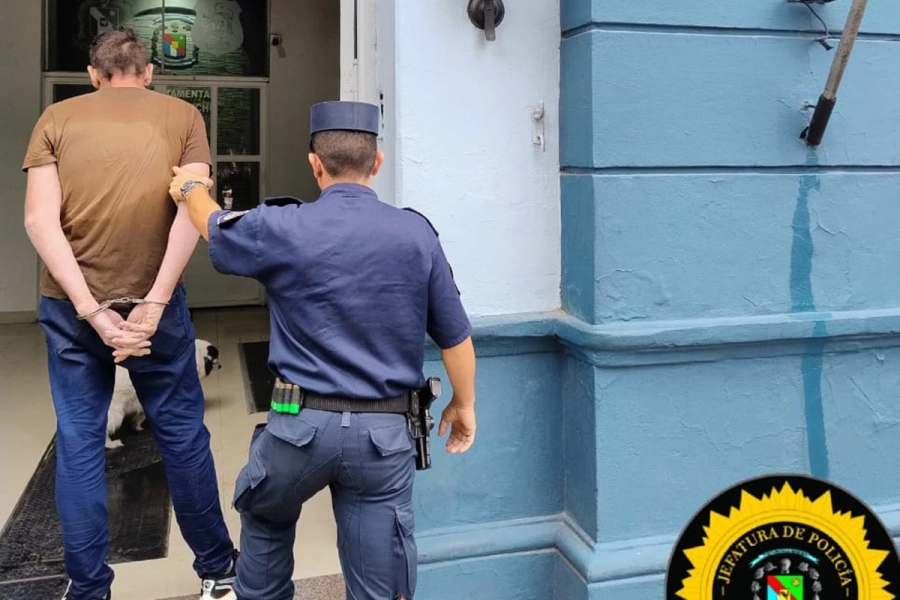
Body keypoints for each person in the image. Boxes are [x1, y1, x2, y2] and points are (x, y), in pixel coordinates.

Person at [167, 100, 478, 600]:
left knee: (266, 520)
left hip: (297, 430)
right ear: (376, 164)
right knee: (381, 585)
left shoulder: (281, 227)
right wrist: (463, 406)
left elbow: (211, 222)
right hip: (383, 438)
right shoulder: (415, 233)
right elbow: (455, 339)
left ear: (315, 164)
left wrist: (189, 187)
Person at [22, 28, 237, 600]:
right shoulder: (183, 118)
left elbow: (40, 223)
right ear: (147, 72)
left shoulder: (55, 118)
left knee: (79, 442)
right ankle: (219, 575)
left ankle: (89, 589)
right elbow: (194, 213)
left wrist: (93, 311)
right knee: (183, 436)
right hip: (156, 309)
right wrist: (154, 304)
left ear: (94, 75)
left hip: (71, 309)